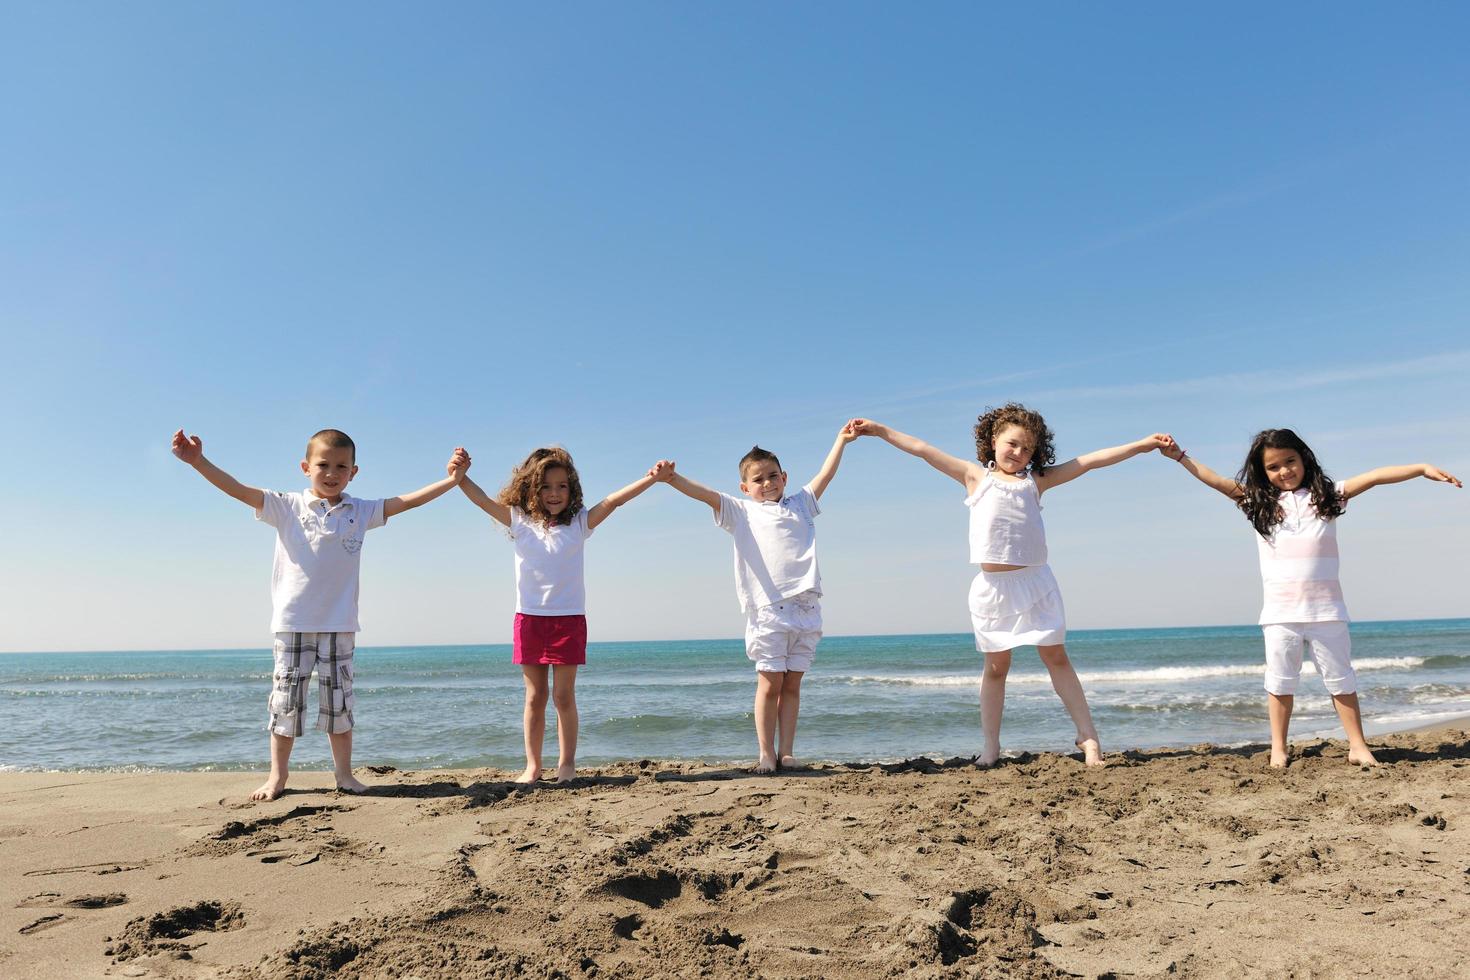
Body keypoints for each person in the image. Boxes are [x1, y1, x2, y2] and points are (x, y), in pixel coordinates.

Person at [851, 408, 1171, 767]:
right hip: (993, 590)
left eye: (1026, 448)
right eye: (1011, 444)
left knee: (1056, 657)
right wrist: (879, 430)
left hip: (1036, 584)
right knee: (996, 668)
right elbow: (922, 448)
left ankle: (1090, 738)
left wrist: (1142, 445)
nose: (1018, 452)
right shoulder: (974, 477)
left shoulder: (1037, 480)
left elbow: (1089, 461)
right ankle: (991, 747)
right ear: (993, 442)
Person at [171, 427, 468, 800]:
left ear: (353, 472)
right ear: (305, 467)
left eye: (341, 466)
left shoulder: (360, 510)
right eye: (323, 464)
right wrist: (198, 462)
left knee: (339, 705)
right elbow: (238, 489)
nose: (332, 473)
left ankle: (344, 776)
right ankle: (277, 777)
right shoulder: (286, 505)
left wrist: (451, 481)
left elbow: (406, 501)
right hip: (293, 624)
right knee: (286, 703)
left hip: (340, 626)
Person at [1161, 428, 1461, 767]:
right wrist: (1181, 458)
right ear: (1264, 472)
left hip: (1327, 610)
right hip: (1280, 613)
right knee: (1280, 683)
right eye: (1273, 467)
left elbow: (1376, 477)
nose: (1284, 471)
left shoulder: (1327, 497)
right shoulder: (1259, 504)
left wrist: (1421, 468)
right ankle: (1279, 747)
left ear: (1303, 458)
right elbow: (1215, 481)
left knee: (1341, 681)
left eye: (1290, 461)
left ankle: (1358, 745)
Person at [456, 447, 668, 784]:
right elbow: (482, 500)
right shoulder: (519, 520)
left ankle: (566, 764)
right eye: (546, 487)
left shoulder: (579, 524)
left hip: (568, 620)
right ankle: (533, 766)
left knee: (563, 696)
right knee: (535, 696)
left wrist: (651, 479)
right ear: (532, 489)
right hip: (529, 619)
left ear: (572, 490)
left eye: (562, 486)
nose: (554, 494)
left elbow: (614, 501)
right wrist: (460, 477)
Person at [654, 425, 856, 773]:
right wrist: (673, 479)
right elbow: (706, 495)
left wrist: (841, 441)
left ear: (785, 477)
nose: (768, 483)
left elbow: (826, 474)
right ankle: (766, 752)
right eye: (758, 479)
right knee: (770, 682)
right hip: (769, 610)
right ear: (745, 488)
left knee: (792, 684)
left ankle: (787, 752)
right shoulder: (742, 511)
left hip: (807, 609)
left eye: (773, 476)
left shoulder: (802, 504)